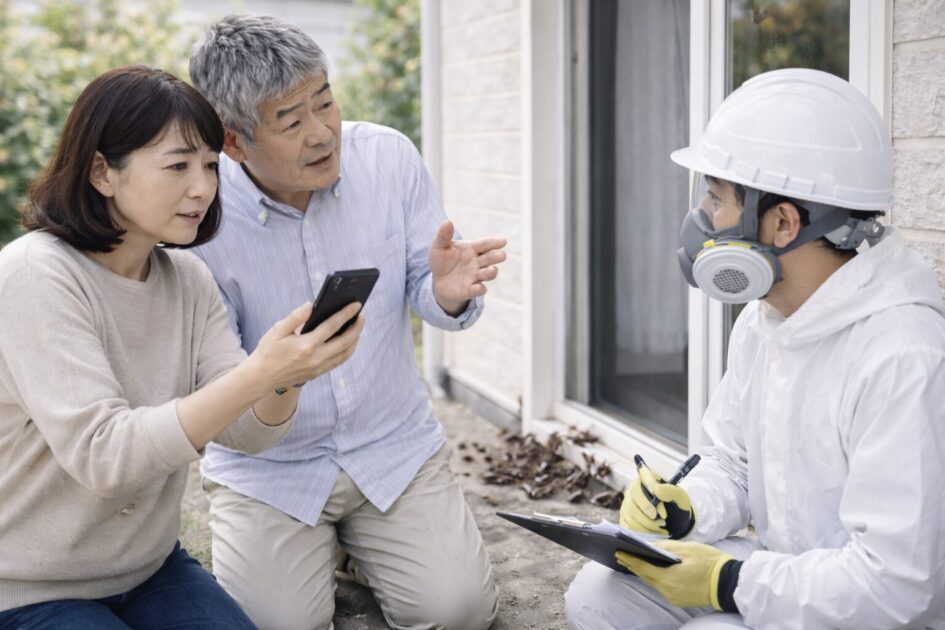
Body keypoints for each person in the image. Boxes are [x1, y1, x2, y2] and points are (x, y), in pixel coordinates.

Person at [565, 68, 945, 629]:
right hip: (786, 577)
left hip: (870, 613)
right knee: (600, 593)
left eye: (717, 200)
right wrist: (685, 508)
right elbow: (732, 465)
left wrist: (729, 583)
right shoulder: (764, 320)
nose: (702, 223)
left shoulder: (901, 356)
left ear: (783, 222)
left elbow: (893, 584)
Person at [0, 65, 363, 628]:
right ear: (102, 172)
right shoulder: (34, 276)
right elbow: (105, 456)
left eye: (211, 166)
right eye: (177, 166)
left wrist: (287, 374)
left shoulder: (186, 279)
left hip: (148, 570)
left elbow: (247, 433)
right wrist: (257, 374)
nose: (203, 187)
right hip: (26, 586)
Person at [186, 14, 505, 630]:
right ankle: (330, 548)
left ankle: (360, 548)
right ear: (233, 141)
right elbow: (214, 387)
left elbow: (433, 292)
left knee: (460, 613)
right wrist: (279, 375)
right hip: (271, 472)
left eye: (325, 103)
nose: (322, 133)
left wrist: (445, 293)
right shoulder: (200, 214)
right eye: (291, 121)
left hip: (393, 447)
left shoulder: (387, 157)